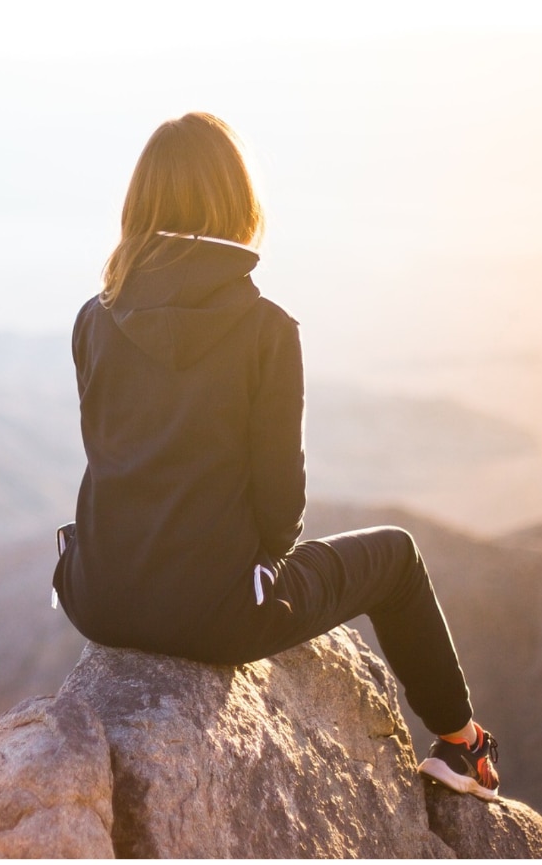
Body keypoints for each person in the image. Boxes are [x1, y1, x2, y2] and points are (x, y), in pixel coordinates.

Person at [50, 111, 499, 800]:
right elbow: (282, 510)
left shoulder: (94, 315)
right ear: (237, 203)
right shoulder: (265, 330)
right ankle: (461, 743)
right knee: (399, 556)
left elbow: (110, 455)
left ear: (139, 204)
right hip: (217, 616)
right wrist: (243, 576)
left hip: (96, 595)